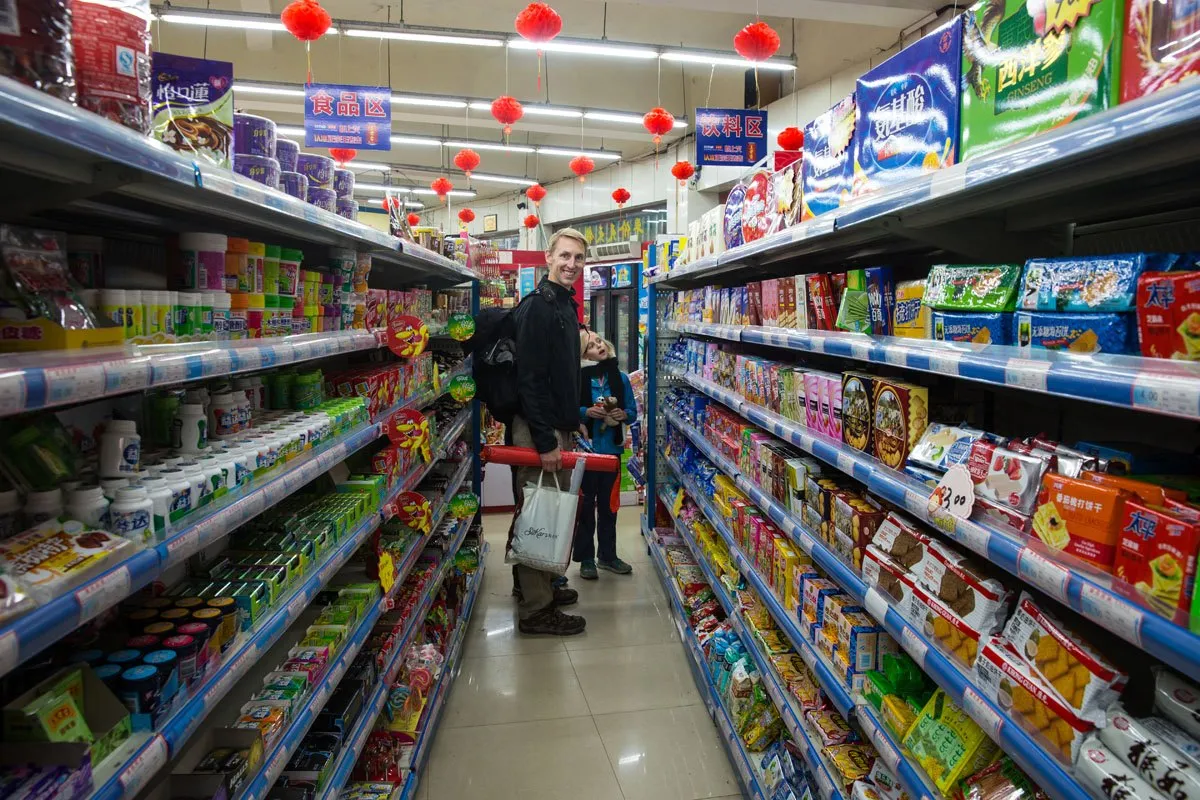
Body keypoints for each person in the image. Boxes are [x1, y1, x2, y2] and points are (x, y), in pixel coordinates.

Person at [507, 228, 588, 636]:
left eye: (578, 258)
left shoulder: (564, 305)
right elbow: (530, 381)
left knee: (551, 512)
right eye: (565, 256)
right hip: (539, 429)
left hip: (558, 425)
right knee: (540, 512)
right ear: (548, 257)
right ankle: (536, 609)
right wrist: (545, 441)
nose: (571, 264)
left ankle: (541, 587)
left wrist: (575, 417)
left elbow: (561, 374)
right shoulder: (538, 307)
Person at [574, 337, 637, 580]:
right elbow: (568, 409)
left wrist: (624, 414)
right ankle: (586, 559)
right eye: (590, 346)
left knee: (609, 507)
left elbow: (632, 411)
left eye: (599, 341)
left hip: (612, 452)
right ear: (584, 355)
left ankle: (608, 556)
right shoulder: (579, 379)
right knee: (585, 507)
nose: (598, 346)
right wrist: (585, 411)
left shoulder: (619, 378)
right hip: (585, 452)